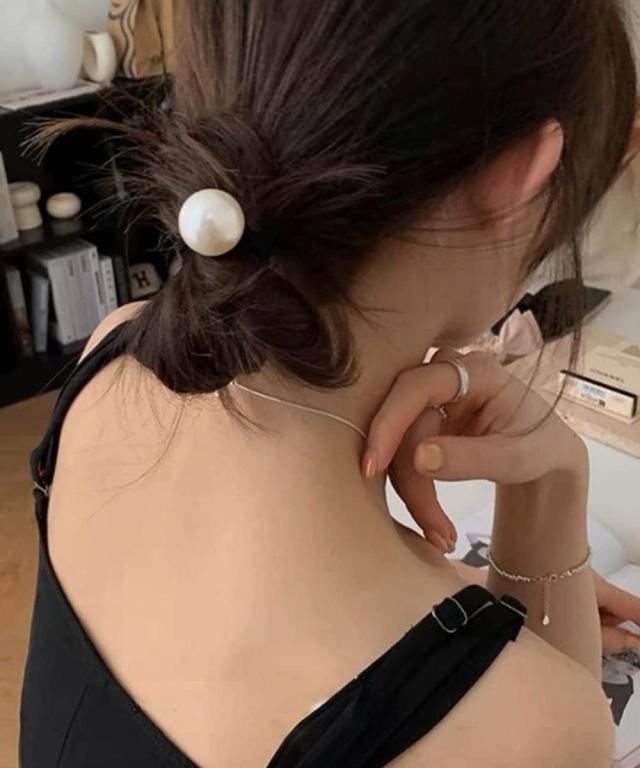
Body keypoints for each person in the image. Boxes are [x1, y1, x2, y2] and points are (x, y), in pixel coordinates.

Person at [19, 2, 640, 767]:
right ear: (524, 173)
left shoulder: (113, 357)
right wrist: (551, 491)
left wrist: (481, 571)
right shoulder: (518, 727)